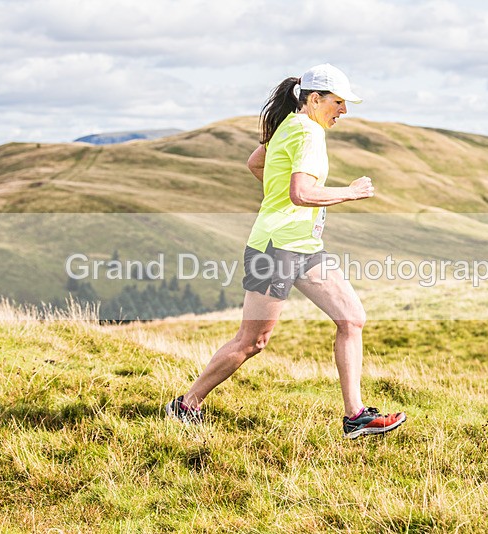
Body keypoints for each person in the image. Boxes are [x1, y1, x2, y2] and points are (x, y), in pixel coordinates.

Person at [166, 64, 406, 439]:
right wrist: (351, 192)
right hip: (276, 248)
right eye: (338, 102)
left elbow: (256, 162)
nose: (344, 110)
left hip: (304, 246)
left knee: (351, 319)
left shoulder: (290, 125)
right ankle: (186, 404)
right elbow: (302, 193)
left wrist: (277, 195)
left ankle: (355, 416)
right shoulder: (307, 133)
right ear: (315, 99)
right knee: (252, 342)